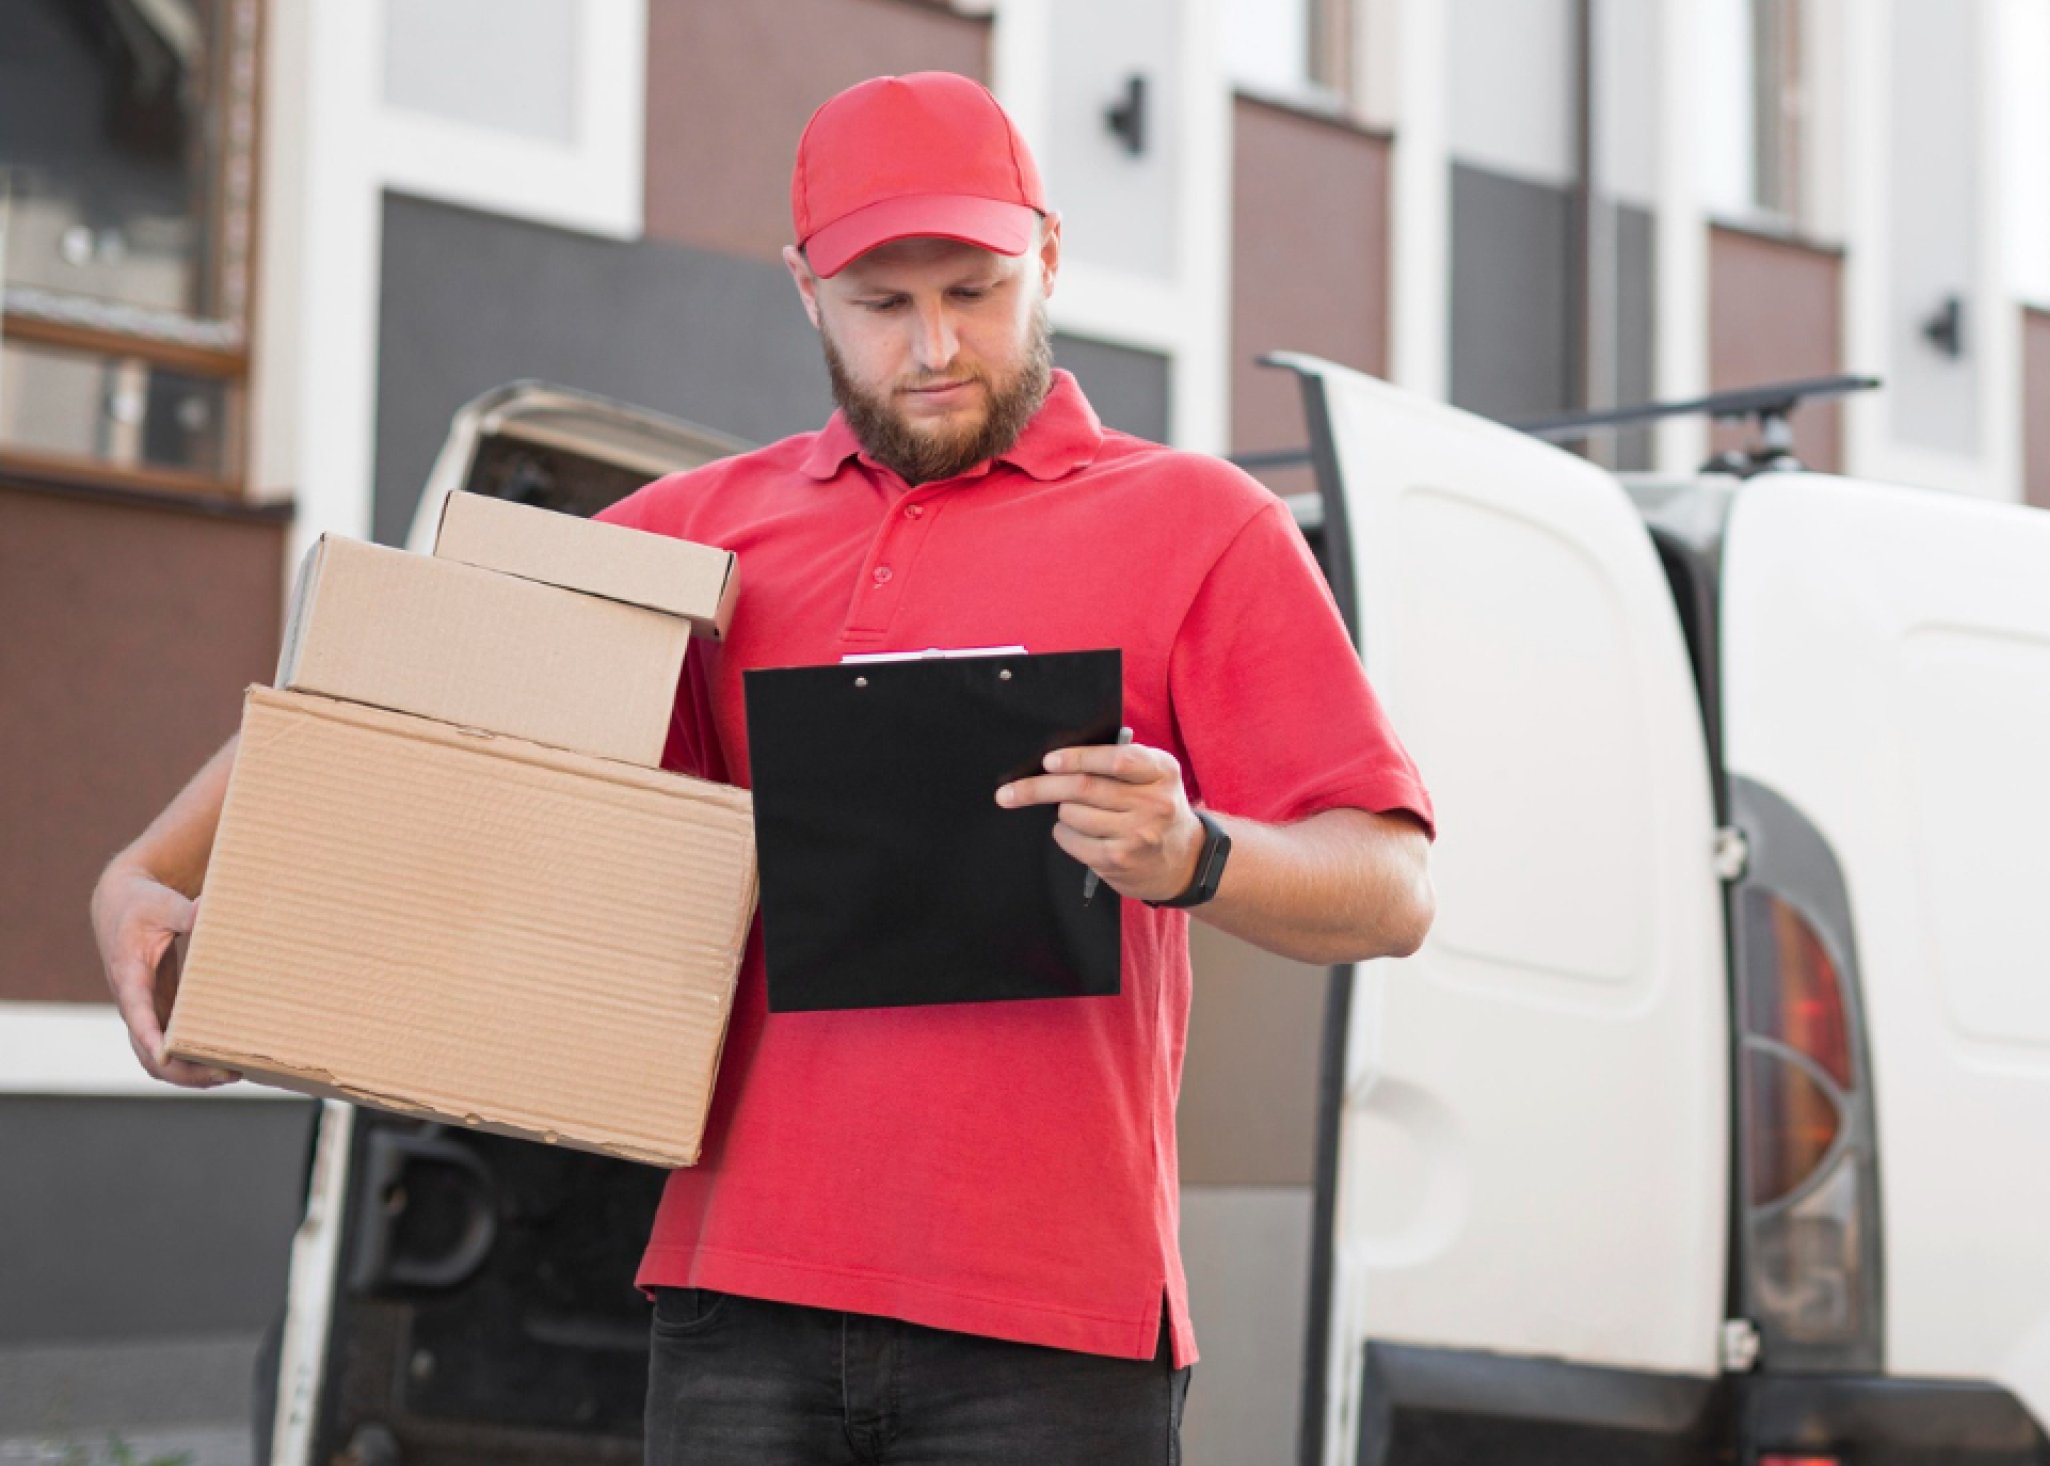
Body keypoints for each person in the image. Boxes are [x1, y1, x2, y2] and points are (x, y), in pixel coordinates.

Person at [85, 71, 1435, 1464]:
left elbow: (1391, 885)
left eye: (975, 289)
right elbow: (386, 700)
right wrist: (147, 871)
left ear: (1048, 256)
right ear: (804, 288)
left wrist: (1199, 850)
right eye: (882, 302)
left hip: (1053, 1331)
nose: (934, 347)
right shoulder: (696, 535)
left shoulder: (1200, 526)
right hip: (735, 1308)